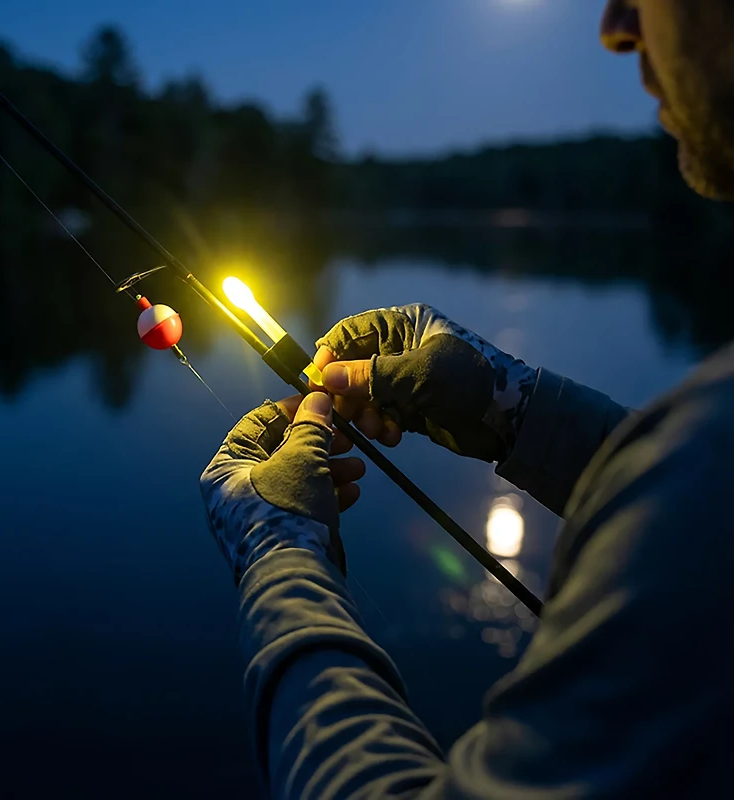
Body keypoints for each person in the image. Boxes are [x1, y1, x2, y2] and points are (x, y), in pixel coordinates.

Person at [201, 1, 734, 797]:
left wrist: (277, 553)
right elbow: (686, 496)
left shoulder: (706, 470)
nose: (617, 25)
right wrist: (503, 403)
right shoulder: (703, 463)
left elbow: (696, 501)